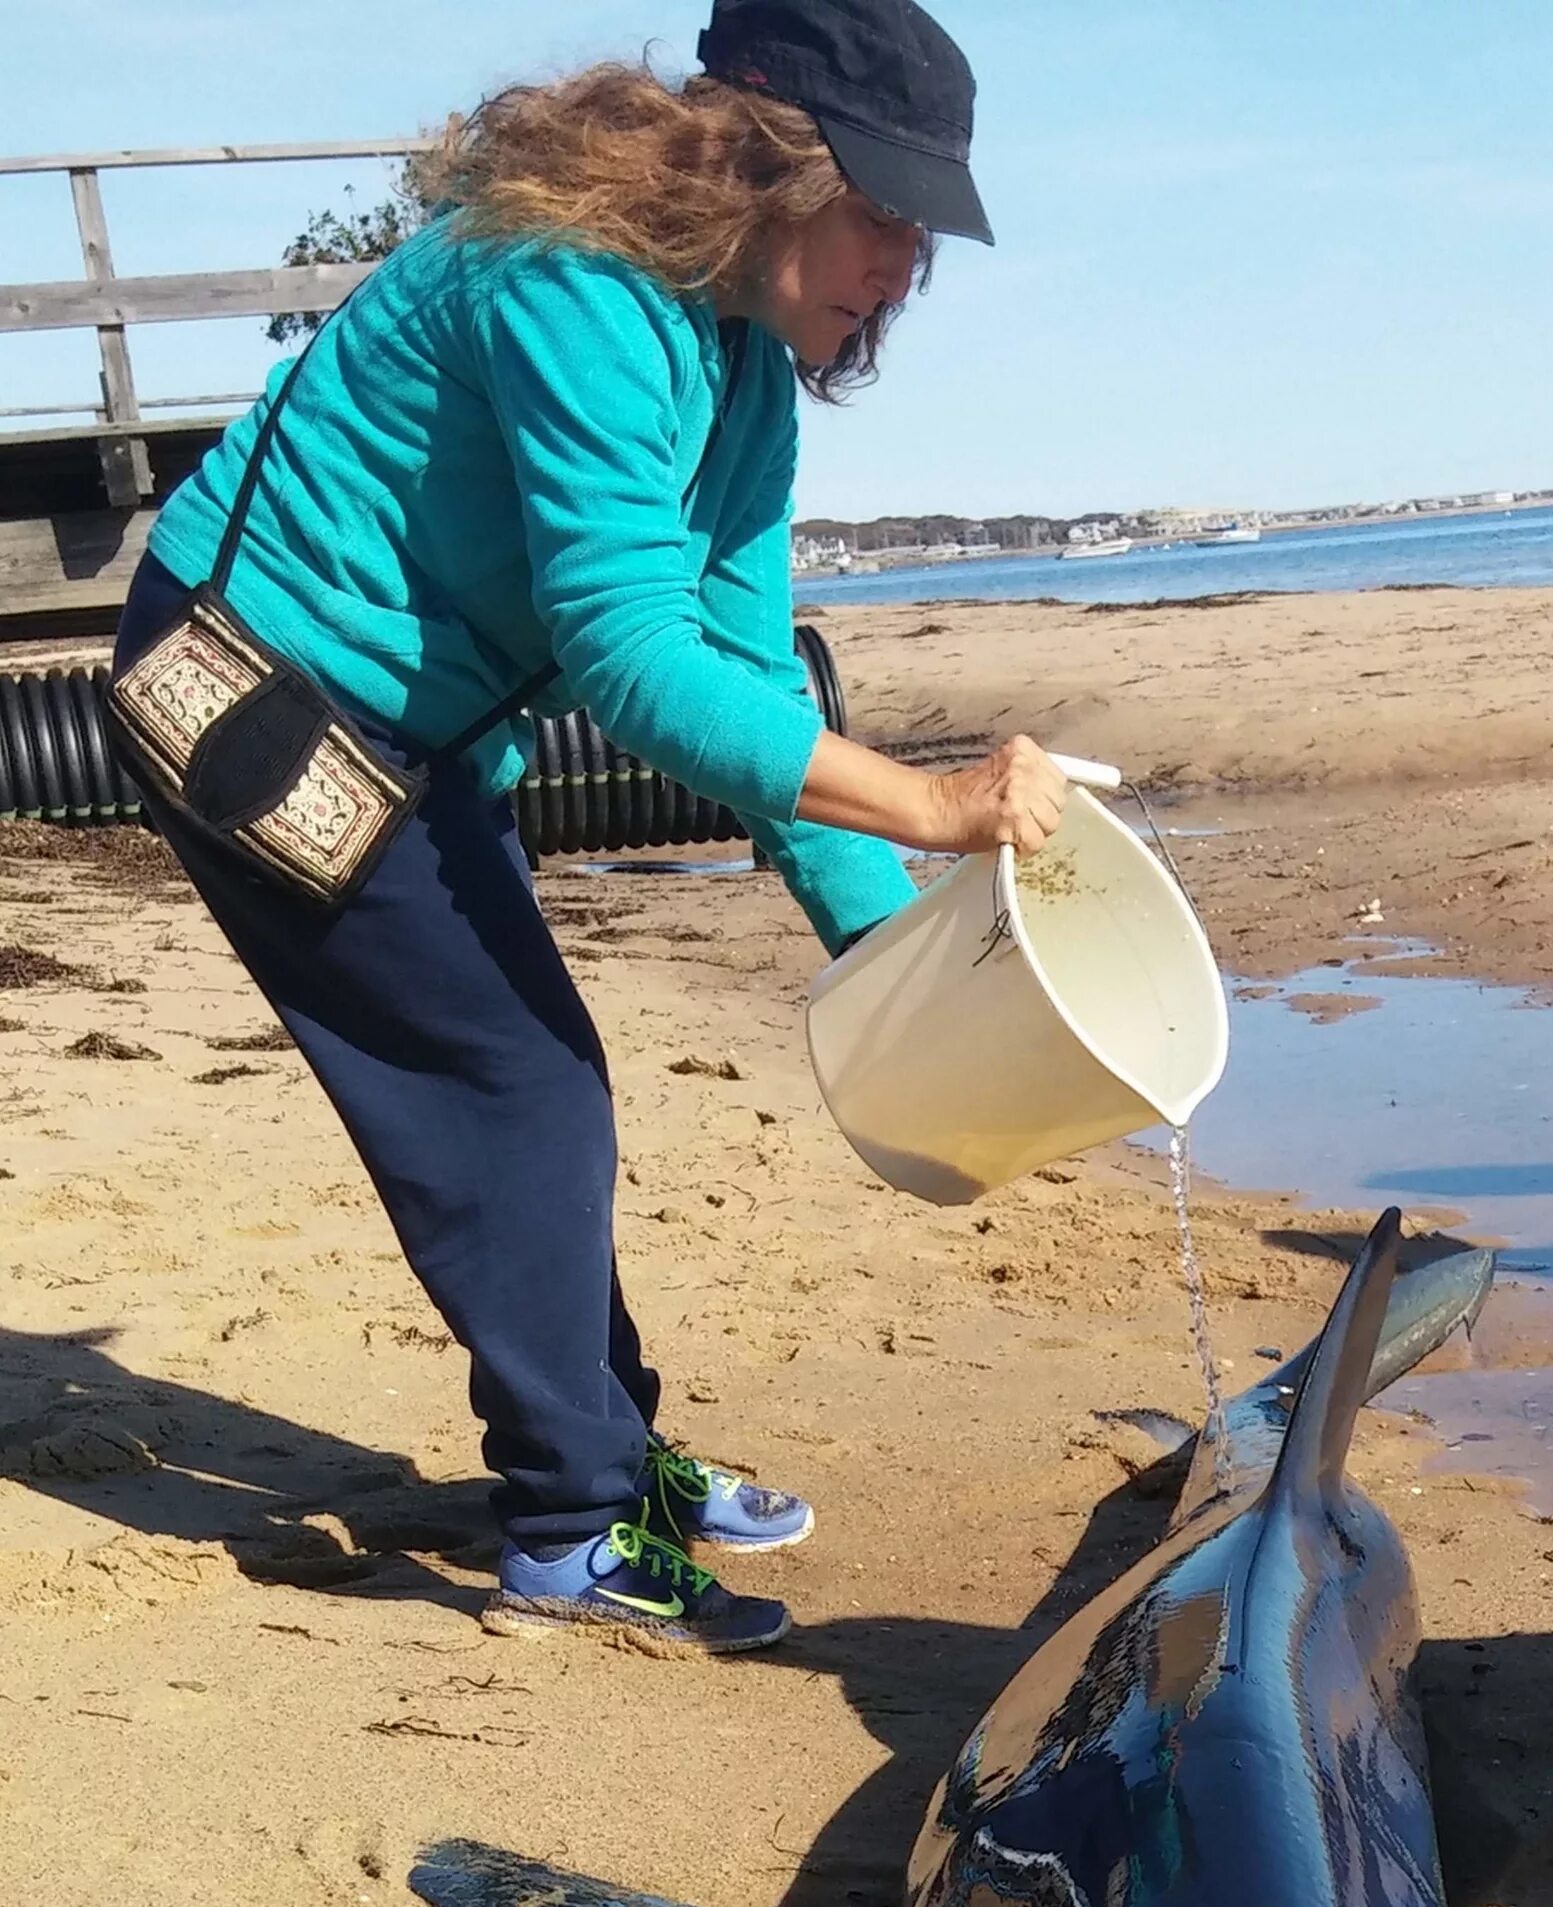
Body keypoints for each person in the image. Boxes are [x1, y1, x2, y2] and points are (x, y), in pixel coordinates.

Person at [114, 0, 1066, 1654]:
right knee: (513, 1087)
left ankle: (603, 1456)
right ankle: (569, 1525)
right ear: (770, 166)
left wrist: (901, 947)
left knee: (530, 1078)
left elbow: (747, 663)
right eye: (885, 215)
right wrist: (928, 802)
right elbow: (627, 656)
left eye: (928, 235)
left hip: (419, 723)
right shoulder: (571, 275)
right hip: (262, 684)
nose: (902, 270)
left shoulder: (747, 366)